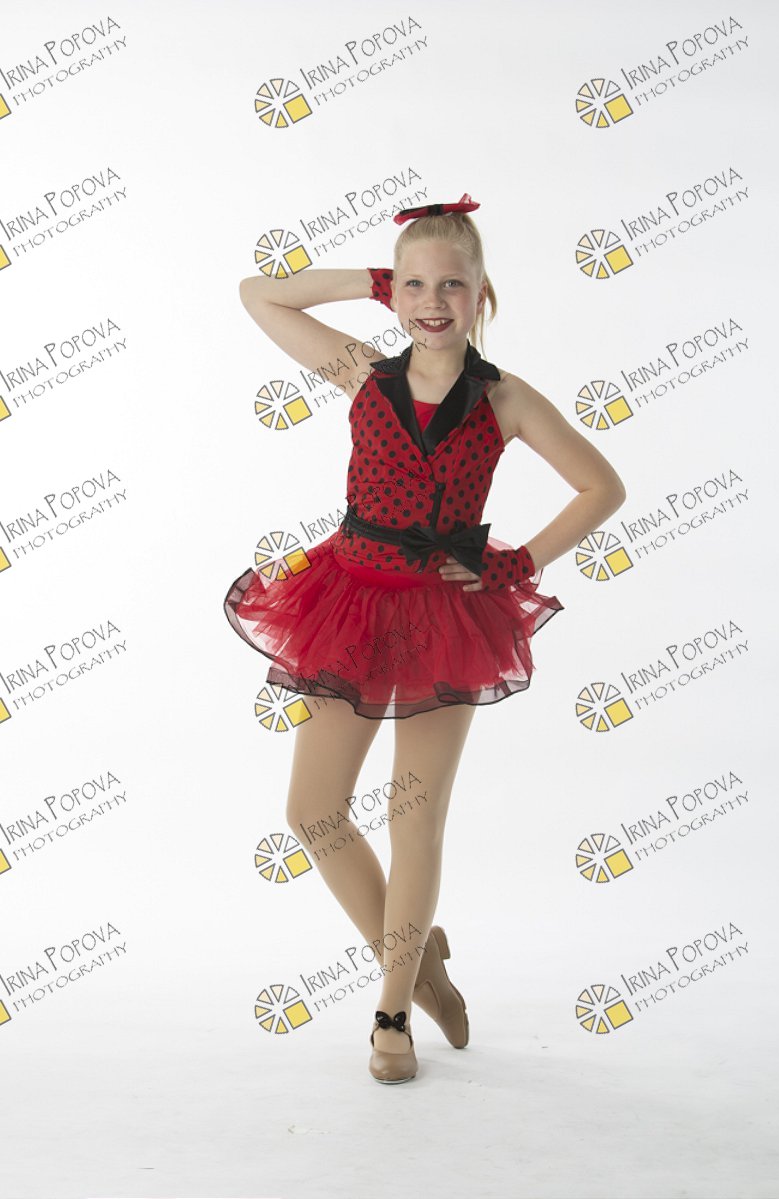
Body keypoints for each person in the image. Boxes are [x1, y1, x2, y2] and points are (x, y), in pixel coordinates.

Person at [223, 193, 626, 1084]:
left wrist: (516, 563)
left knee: (414, 815)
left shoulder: (505, 398)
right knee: (314, 812)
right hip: (350, 602)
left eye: (453, 284)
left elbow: (602, 486)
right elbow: (259, 293)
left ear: (484, 293)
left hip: (445, 618)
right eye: (413, 285)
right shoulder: (363, 371)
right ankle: (418, 961)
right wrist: (374, 279)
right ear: (393, 294)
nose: (432, 300)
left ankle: (393, 1009)